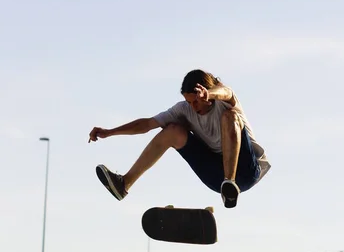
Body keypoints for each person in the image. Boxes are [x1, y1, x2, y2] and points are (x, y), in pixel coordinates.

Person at [88, 69, 271, 208]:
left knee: (230, 116)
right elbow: (147, 124)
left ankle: (230, 185)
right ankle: (124, 184)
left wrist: (210, 94)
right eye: (189, 102)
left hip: (247, 169)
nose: (193, 107)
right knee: (173, 130)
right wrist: (110, 132)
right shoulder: (183, 110)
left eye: (197, 101)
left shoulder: (225, 100)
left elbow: (226, 92)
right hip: (216, 174)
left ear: (207, 91)